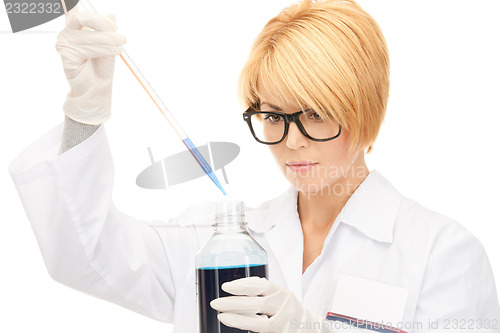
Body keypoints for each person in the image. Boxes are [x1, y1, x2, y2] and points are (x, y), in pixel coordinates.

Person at [8, 0, 500, 332]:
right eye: (272, 116)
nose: (290, 142)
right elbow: (84, 253)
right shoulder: (216, 242)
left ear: (365, 110)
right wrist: (85, 112)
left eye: (315, 114)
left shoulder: (443, 253)